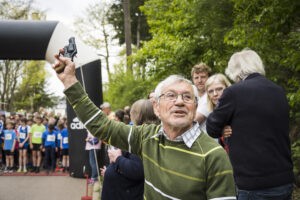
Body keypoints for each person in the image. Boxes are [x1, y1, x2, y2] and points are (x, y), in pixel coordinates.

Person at [53, 53, 236, 199]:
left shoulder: (214, 156)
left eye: (187, 97)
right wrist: (69, 81)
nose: (179, 102)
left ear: (195, 107)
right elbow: (101, 126)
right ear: (156, 107)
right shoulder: (147, 136)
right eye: (171, 95)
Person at [206, 49, 294, 199]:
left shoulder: (234, 92)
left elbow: (212, 128)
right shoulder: (278, 91)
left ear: (235, 72)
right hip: (284, 179)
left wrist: (223, 127)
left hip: (253, 183)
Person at [205, 74, 232, 151]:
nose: (215, 94)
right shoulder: (213, 116)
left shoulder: (238, 110)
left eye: (219, 89)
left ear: (228, 88)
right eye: (210, 91)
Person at [191, 63, 211, 130]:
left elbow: (194, 122)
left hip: (208, 139)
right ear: (193, 80)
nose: (199, 81)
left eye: (203, 77)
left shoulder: (210, 96)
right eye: (196, 78)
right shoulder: (195, 94)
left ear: (209, 78)